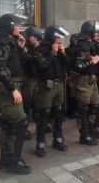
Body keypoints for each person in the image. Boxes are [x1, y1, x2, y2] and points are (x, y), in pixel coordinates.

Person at [0, 13, 31, 174]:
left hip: (15, 85)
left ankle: (5, 159)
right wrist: (13, 89)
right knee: (20, 122)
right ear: (9, 27)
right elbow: (1, 71)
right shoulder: (0, 44)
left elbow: (22, 63)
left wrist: (21, 48)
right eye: (17, 25)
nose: (20, 28)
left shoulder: (11, 42)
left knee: (8, 123)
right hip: (9, 88)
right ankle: (14, 162)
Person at [33, 25, 70, 157]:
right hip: (46, 85)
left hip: (60, 84)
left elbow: (70, 65)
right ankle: (40, 143)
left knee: (59, 111)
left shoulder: (61, 49)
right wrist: (53, 53)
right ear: (52, 36)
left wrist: (63, 53)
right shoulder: (39, 49)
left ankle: (58, 139)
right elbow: (42, 65)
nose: (60, 39)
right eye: (58, 36)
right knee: (45, 112)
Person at [72, 21, 99, 145]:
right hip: (84, 80)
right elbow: (78, 66)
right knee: (84, 108)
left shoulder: (90, 44)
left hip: (92, 78)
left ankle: (92, 129)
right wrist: (92, 62)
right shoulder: (82, 46)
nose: (97, 34)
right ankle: (84, 136)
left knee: (97, 103)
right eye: (95, 32)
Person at [21, 26, 43, 140]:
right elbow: (28, 59)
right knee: (26, 104)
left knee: (37, 103)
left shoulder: (36, 47)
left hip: (36, 78)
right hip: (27, 79)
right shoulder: (24, 47)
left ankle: (40, 126)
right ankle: (23, 129)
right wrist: (35, 48)